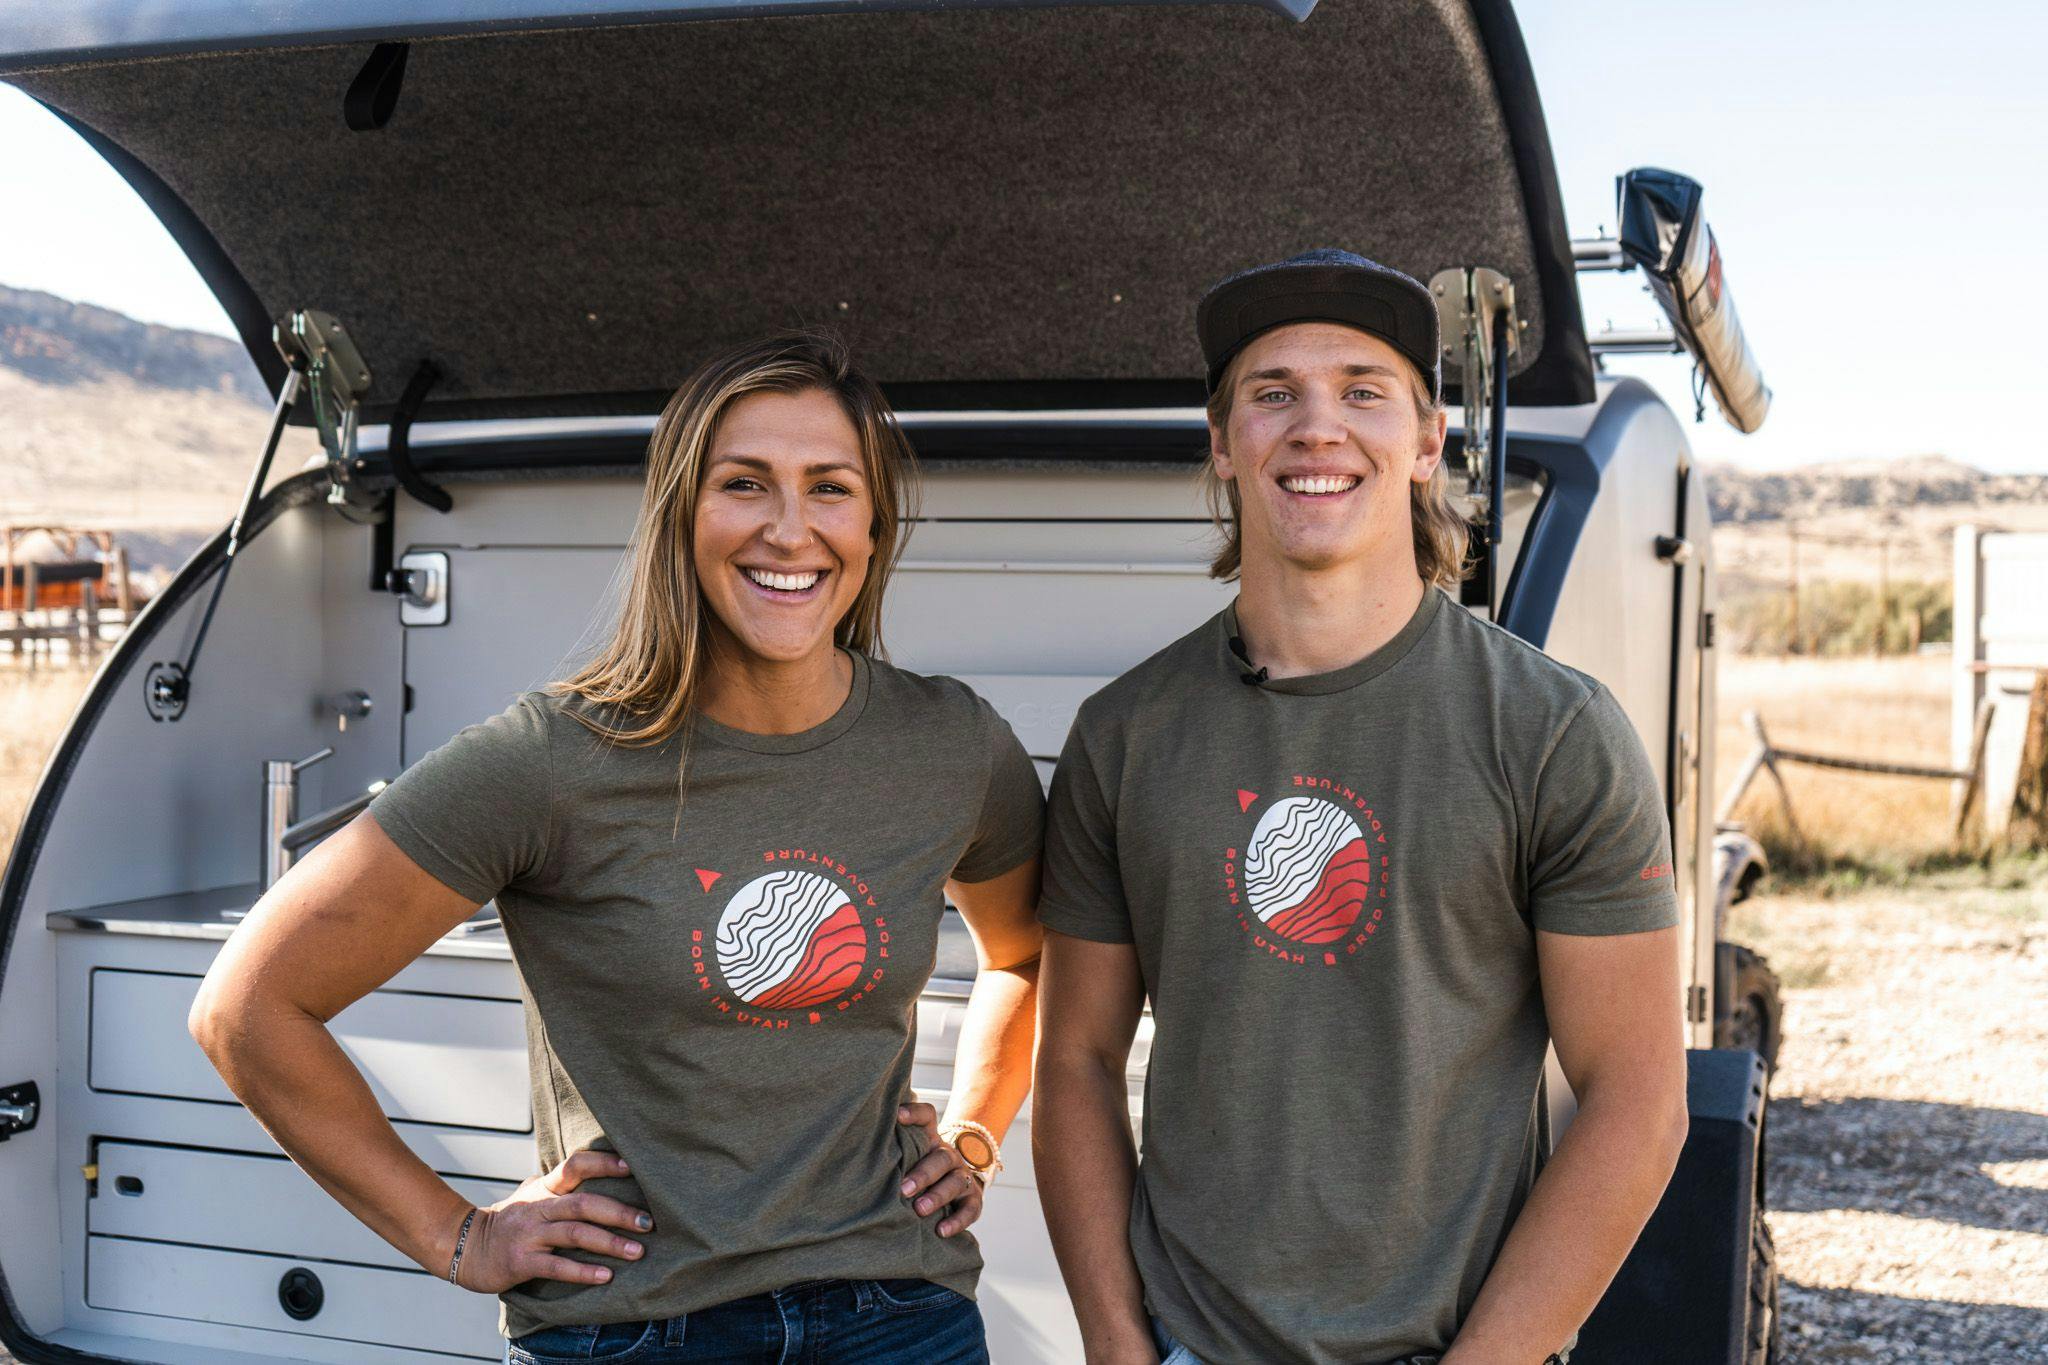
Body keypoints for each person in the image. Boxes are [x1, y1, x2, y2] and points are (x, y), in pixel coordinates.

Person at [188, 333, 1046, 1365]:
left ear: (873, 527)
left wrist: (974, 1136)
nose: (788, 529)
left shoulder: (949, 743)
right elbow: (247, 1009)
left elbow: (1027, 953)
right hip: (634, 1331)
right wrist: (459, 1235)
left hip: (896, 1318)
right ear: (679, 513)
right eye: (743, 484)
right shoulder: (549, 759)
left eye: (830, 488)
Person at [1031, 250, 1690, 1365]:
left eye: (1361, 391)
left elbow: (1634, 1101)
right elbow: (1076, 1061)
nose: (1316, 427)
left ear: (1425, 442)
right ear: (1219, 440)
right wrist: (1112, 1341)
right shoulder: (1124, 734)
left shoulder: (1551, 733)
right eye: (1272, 393)